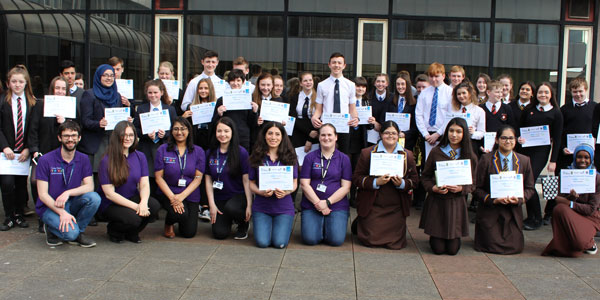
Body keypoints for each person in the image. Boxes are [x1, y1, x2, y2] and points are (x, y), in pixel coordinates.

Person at [351, 121, 419, 249]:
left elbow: (415, 180)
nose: (390, 136)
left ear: (398, 135)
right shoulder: (367, 153)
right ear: (381, 134)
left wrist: (402, 183)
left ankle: (360, 223)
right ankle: (361, 222)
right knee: (370, 241)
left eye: (394, 133)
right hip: (374, 203)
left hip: (396, 206)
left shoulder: (407, 155)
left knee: (395, 244)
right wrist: (376, 182)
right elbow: (357, 178)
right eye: (387, 133)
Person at [36, 120, 101, 247]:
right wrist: (62, 213)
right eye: (66, 136)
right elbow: (42, 194)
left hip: (71, 202)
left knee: (94, 198)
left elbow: (89, 186)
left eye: (73, 136)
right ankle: (50, 228)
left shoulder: (83, 158)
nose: (70, 139)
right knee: (70, 234)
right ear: (59, 138)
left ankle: (79, 232)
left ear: (79, 138)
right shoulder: (45, 160)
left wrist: (68, 193)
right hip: (50, 206)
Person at [473, 125, 535, 254]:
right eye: (504, 138)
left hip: (512, 210)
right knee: (490, 244)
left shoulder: (524, 161)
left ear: (516, 140)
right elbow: (476, 187)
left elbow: (530, 188)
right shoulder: (486, 159)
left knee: (515, 246)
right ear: (496, 140)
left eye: (511, 138)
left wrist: (519, 199)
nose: (508, 141)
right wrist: (492, 200)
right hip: (491, 210)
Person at [419, 117, 477, 255]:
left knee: (452, 250)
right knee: (438, 250)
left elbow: (474, 182)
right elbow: (425, 176)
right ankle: (436, 234)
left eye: (458, 131)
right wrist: (433, 188)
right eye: (451, 131)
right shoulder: (436, 152)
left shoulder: (469, 156)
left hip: (456, 202)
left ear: (464, 134)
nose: (454, 135)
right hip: (437, 202)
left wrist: (462, 189)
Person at [98, 121, 161, 243]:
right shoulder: (107, 160)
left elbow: (144, 184)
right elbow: (109, 194)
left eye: (131, 135)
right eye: (124, 135)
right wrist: (137, 207)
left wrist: (143, 202)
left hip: (131, 197)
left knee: (153, 206)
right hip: (111, 203)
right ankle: (114, 230)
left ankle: (132, 232)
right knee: (134, 218)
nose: (128, 138)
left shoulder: (140, 156)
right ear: (117, 137)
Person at [518, 82, 563, 230]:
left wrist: (553, 160)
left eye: (546, 92)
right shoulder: (529, 109)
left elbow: (557, 139)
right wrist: (519, 138)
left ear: (551, 95)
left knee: (529, 181)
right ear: (535, 95)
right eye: (540, 92)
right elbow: (520, 128)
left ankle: (536, 217)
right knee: (524, 181)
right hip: (525, 151)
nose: (543, 95)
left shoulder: (556, 113)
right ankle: (531, 216)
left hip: (541, 152)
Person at [551, 78, 597, 224]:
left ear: (586, 90)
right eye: (574, 91)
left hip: (589, 155)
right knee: (563, 182)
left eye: (580, 91)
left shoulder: (595, 108)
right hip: (567, 154)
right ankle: (553, 211)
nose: (577, 94)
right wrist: (563, 146)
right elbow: (559, 131)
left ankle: (589, 210)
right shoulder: (564, 109)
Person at [542, 144, 600, 257]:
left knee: (580, 244)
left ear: (591, 159)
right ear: (574, 158)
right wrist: (570, 198)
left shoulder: (597, 178)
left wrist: (570, 203)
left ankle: (589, 241)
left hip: (590, 216)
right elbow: (558, 200)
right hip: (571, 213)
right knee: (559, 209)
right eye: (579, 157)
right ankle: (563, 245)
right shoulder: (566, 174)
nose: (582, 160)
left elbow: (591, 209)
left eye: (586, 157)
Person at [28, 76, 73, 223]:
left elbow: (75, 131)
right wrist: (34, 149)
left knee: (57, 182)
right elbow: (33, 129)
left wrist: (64, 122)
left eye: (63, 89)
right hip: (42, 151)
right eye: (57, 88)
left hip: (61, 153)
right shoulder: (41, 105)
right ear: (52, 89)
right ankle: (41, 213)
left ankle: (56, 213)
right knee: (36, 182)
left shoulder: (70, 106)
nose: (60, 91)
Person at [299, 124, 351, 246]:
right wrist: (318, 203)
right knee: (310, 240)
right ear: (318, 137)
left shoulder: (344, 159)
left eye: (329, 135)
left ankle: (326, 225)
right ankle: (319, 225)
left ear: (336, 137)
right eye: (323, 135)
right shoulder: (310, 157)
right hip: (312, 204)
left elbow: (346, 187)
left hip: (336, 205)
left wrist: (327, 202)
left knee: (336, 241)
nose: (326, 138)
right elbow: (304, 184)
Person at [249, 122, 298, 248]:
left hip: (283, 207)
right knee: (262, 243)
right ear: (264, 136)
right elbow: (251, 183)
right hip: (262, 207)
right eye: (270, 133)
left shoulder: (290, 156)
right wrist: (261, 192)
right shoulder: (256, 156)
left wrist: (286, 192)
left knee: (279, 243)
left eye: (277, 134)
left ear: (282, 137)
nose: (273, 137)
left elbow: (294, 182)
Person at [155, 117, 204, 238]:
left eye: (183, 129)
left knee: (188, 233)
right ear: (171, 131)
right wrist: (173, 198)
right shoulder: (163, 149)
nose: (179, 132)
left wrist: (181, 197)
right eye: (176, 129)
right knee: (180, 214)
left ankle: (181, 218)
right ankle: (169, 223)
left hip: (189, 193)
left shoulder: (198, 151)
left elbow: (198, 178)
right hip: (169, 192)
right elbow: (158, 177)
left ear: (189, 131)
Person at [0, 65, 36, 230]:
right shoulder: (2, 101)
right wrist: (4, 147)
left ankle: (19, 215)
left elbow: (33, 128)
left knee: (22, 185)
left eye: (20, 81)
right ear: (8, 83)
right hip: (6, 152)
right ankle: (8, 216)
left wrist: (28, 148)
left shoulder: (33, 102)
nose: (17, 85)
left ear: (26, 83)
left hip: (23, 151)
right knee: (7, 184)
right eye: (13, 81)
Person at [413, 62, 453, 210]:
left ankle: (442, 196)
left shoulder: (449, 93)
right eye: (431, 77)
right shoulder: (425, 93)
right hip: (426, 135)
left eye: (437, 76)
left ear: (443, 76)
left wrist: (438, 134)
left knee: (442, 165)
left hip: (442, 134)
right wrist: (425, 134)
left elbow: (450, 115)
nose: (434, 80)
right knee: (426, 167)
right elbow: (418, 114)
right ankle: (423, 200)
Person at [205, 117, 253, 239]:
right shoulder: (210, 152)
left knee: (232, 208)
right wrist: (211, 204)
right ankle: (228, 219)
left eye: (226, 131)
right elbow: (208, 179)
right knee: (219, 234)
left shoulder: (241, 152)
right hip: (220, 197)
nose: (223, 134)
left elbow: (246, 179)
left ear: (232, 132)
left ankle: (243, 223)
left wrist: (249, 204)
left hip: (237, 196)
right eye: (219, 131)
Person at [79, 64, 132, 172]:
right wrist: (98, 124)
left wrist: (126, 122)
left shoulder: (117, 96)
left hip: (113, 143)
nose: (109, 78)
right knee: (97, 177)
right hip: (96, 145)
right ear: (99, 77)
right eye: (105, 75)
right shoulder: (89, 95)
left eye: (112, 75)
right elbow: (85, 121)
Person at [133, 79, 177, 199]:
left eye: (155, 92)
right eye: (150, 93)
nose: (153, 95)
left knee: (163, 174)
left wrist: (166, 134)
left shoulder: (170, 109)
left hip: (164, 147)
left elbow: (175, 129)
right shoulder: (141, 109)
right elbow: (135, 129)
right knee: (148, 175)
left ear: (162, 92)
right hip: (147, 147)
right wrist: (146, 134)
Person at [311, 52, 360, 155]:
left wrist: (356, 118)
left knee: (344, 155)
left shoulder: (350, 85)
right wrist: (314, 117)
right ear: (329, 65)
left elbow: (352, 108)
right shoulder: (321, 85)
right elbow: (319, 109)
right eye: (334, 62)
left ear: (344, 66)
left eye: (339, 63)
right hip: (326, 127)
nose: (336, 65)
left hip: (344, 126)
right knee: (325, 154)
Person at [212, 69, 259, 151]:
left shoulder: (249, 99)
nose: (235, 83)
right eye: (232, 81)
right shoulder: (221, 100)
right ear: (229, 82)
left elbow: (253, 124)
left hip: (243, 138)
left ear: (243, 82)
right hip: (226, 138)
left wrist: (255, 112)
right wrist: (218, 113)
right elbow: (214, 123)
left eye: (238, 80)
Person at [446, 81, 485, 156]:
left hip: (470, 145)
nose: (461, 96)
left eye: (464, 93)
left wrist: (473, 133)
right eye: (458, 94)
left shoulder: (479, 111)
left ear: (470, 94)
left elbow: (482, 133)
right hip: (454, 145)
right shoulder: (452, 110)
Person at [288, 72, 318, 149]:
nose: (308, 82)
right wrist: (308, 132)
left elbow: (320, 118)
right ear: (301, 83)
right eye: (305, 81)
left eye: (310, 80)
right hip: (298, 132)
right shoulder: (294, 97)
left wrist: (310, 138)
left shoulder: (319, 98)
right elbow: (293, 117)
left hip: (314, 133)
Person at [390, 72, 418, 151]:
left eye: (403, 84)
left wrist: (404, 134)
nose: (400, 87)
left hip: (407, 142)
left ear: (408, 85)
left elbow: (415, 126)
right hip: (391, 140)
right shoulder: (390, 101)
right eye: (398, 84)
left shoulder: (414, 103)